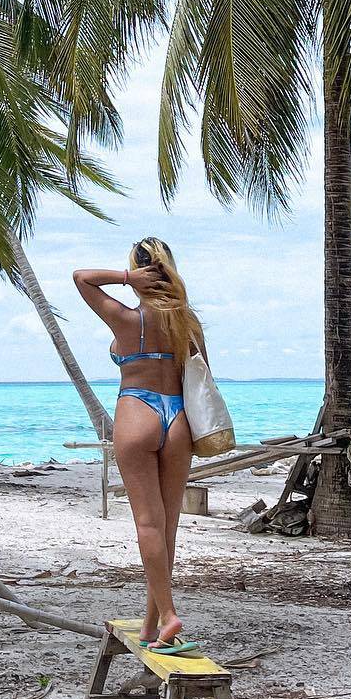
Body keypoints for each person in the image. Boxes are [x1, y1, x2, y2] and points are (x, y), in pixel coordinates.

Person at [73, 238, 205, 651]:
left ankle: (168, 615)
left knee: (148, 524)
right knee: (167, 527)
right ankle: (152, 624)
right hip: (178, 419)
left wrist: (127, 278)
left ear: (141, 271)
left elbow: (81, 278)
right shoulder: (187, 322)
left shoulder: (126, 319)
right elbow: (202, 379)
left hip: (137, 411)